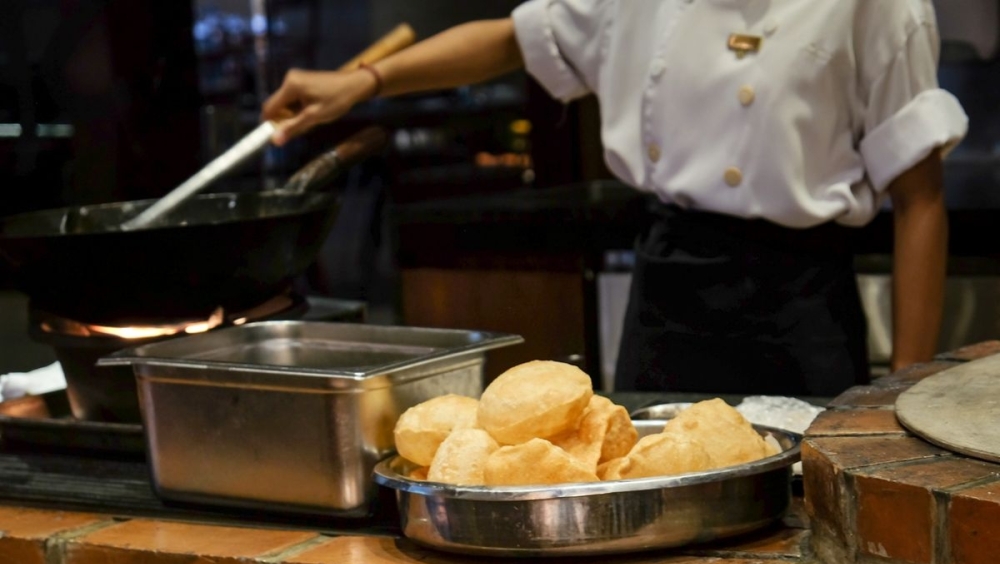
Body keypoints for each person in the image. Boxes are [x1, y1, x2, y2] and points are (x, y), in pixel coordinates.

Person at [262, 1, 968, 397]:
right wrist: (364, 82)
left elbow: (920, 201)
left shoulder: (879, 6)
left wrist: (898, 396)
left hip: (798, 305)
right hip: (668, 296)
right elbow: (513, 39)